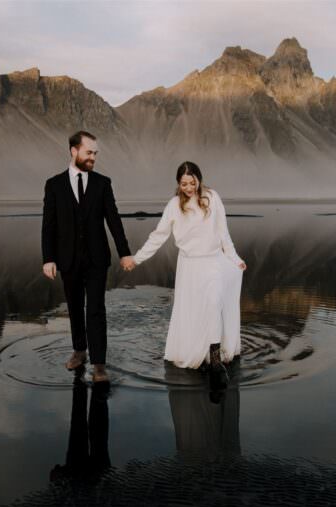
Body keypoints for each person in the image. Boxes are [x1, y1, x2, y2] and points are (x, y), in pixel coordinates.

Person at [124, 161, 246, 381]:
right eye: (184, 184)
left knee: (214, 303)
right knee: (196, 311)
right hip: (190, 267)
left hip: (214, 262)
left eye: (192, 182)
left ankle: (215, 359)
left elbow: (223, 232)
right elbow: (159, 236)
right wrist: (137, 259)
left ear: (199, 179)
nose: (189, 188)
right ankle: (199, 351)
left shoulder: (212, 197)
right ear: (178, 184)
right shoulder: (173, 205)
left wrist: (235, 258)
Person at [41, 131, 135, 382]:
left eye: (95, 153)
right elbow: (48, 225)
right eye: (89, 152)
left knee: (95, 309)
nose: (93, 157)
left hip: (96, 259)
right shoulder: (54, 184)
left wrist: (124, 252)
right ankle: (79, 351)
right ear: (74, 150)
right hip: (67, 260)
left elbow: (114, 221)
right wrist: (48, 258)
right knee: (74, 307)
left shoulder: (103, 183)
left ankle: (100, 365)